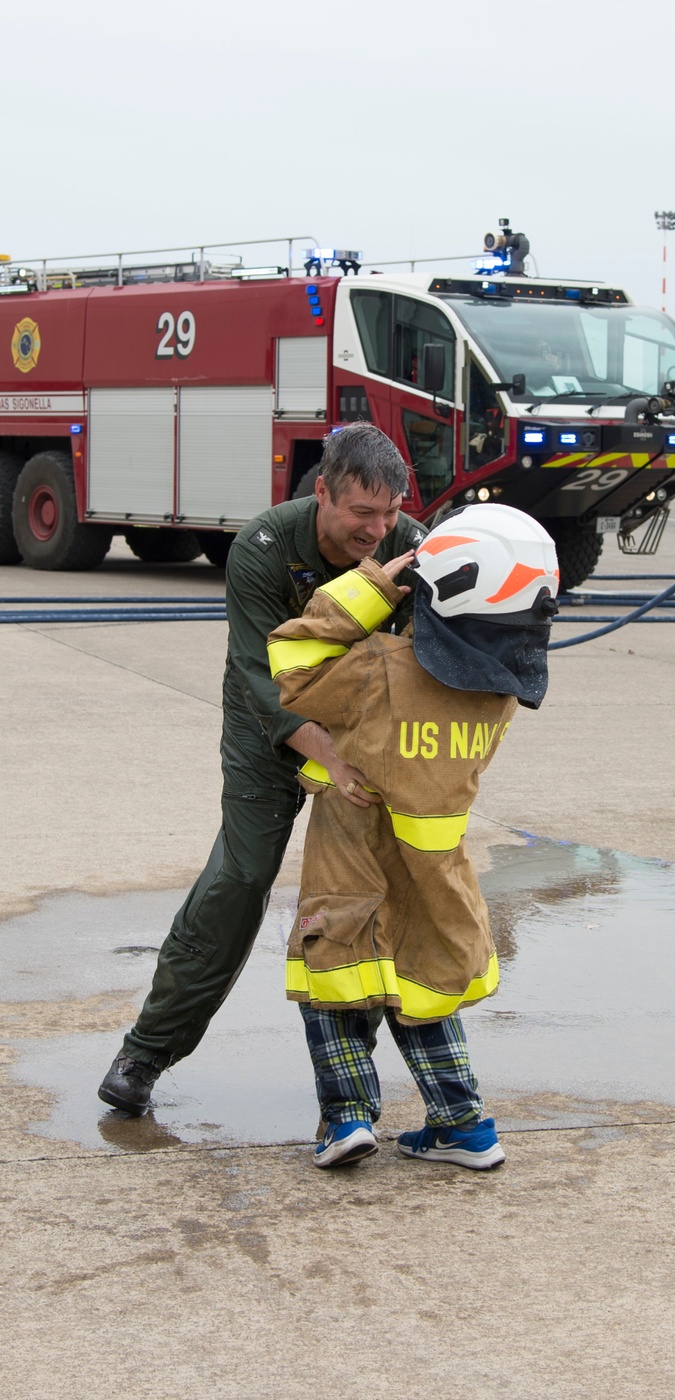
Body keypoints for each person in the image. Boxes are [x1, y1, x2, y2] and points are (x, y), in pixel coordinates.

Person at [98, 422, 425, 1115]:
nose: (379, 529)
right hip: (267, 727)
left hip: (364, 730)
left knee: (371, 893)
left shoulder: (410, 544)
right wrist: (325, 757)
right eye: (362, 513)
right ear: (322, 494)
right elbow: (260, 675)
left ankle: (353, 1090)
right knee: (240, 880)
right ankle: (146, 1052)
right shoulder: (264, 547)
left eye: (390, 512)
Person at [266, 504, 559, 1170]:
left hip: (351, 859)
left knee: (334, 983)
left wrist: (371, 586)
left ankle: (346, 1120)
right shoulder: (503, 694)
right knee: (425, 994)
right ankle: (463, 1125)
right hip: (435, 871)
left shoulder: (376, 669)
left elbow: (293, 657)